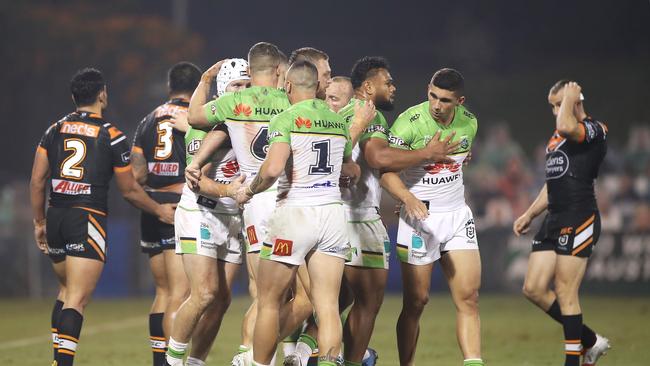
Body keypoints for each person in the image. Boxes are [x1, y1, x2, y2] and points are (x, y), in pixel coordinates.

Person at [30, 68, 175, 366]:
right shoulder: (111, 135)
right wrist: (159, 209)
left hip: (56, 216)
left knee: (66, 291)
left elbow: (37, 181)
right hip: (87, 218)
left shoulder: (53, 129)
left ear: (73, 97)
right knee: (77, 299)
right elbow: (130, 191)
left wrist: (39, 222)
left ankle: (58, 359)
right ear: (102, 94)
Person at [236, 60, 359, 366]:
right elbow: (347, 165)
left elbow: (274, 168)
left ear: (288, 86)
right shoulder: (337, 120)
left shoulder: (286, 118)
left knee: (268, 302)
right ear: (317, 86)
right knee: (328, 305)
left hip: (296, 214)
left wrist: (250, 189)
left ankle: (258, 364)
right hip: (332, 214)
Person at [185, 42, 292, 366]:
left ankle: (258, 355)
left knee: (266, 294)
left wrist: (204, 82)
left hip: (253, 201)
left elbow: (194, 116)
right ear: (277, 70)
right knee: (283, 295)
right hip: (285, 198)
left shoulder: (232, 104)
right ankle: (257, 357)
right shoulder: (291, 101)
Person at [380, 68, 483, 366]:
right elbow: (386, 172)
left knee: (469, 297)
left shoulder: (470, 123)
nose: (437, 105)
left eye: (445, 100)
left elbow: (462, 158)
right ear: (428, 90)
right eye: (433, 96)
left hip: (456, 216)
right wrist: (408, 198)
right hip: (419, 219)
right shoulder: (408, 124)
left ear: (460, 101)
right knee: (416, 301)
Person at [513, 80, 610, 366]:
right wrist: (530, 213)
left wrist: (569, 99)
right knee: (533, 288)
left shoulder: (595, 129)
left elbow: (570, 125)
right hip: (554, 217)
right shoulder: (557, 138)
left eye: (559, 104)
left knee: (566, 290)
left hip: (580, 216)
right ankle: (590, 340)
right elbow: (552, 182)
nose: (555, 111)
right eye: (553, 106)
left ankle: (575, 360)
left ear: (575, 101)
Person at [164, 59, 250, 366]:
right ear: (221, 91)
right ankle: (173, 362)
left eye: (247, 86)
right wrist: (231, 192)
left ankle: (195, 362)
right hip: (201, 211)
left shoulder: (249, 121)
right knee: (204, 293)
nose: (242, 93)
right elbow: (198, 182)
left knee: (222, 299)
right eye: (236, 86)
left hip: (233, 216)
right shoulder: (203, 127)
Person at [130, 61, 201, 365]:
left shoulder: (147, 120)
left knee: (162, 291)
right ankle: (173, 363)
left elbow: (137, 172)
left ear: (170, 86)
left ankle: (160, 361)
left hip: (152, 206)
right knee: (180, 293)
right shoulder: (195, 118)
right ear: (197, 88)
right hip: (178, 206)